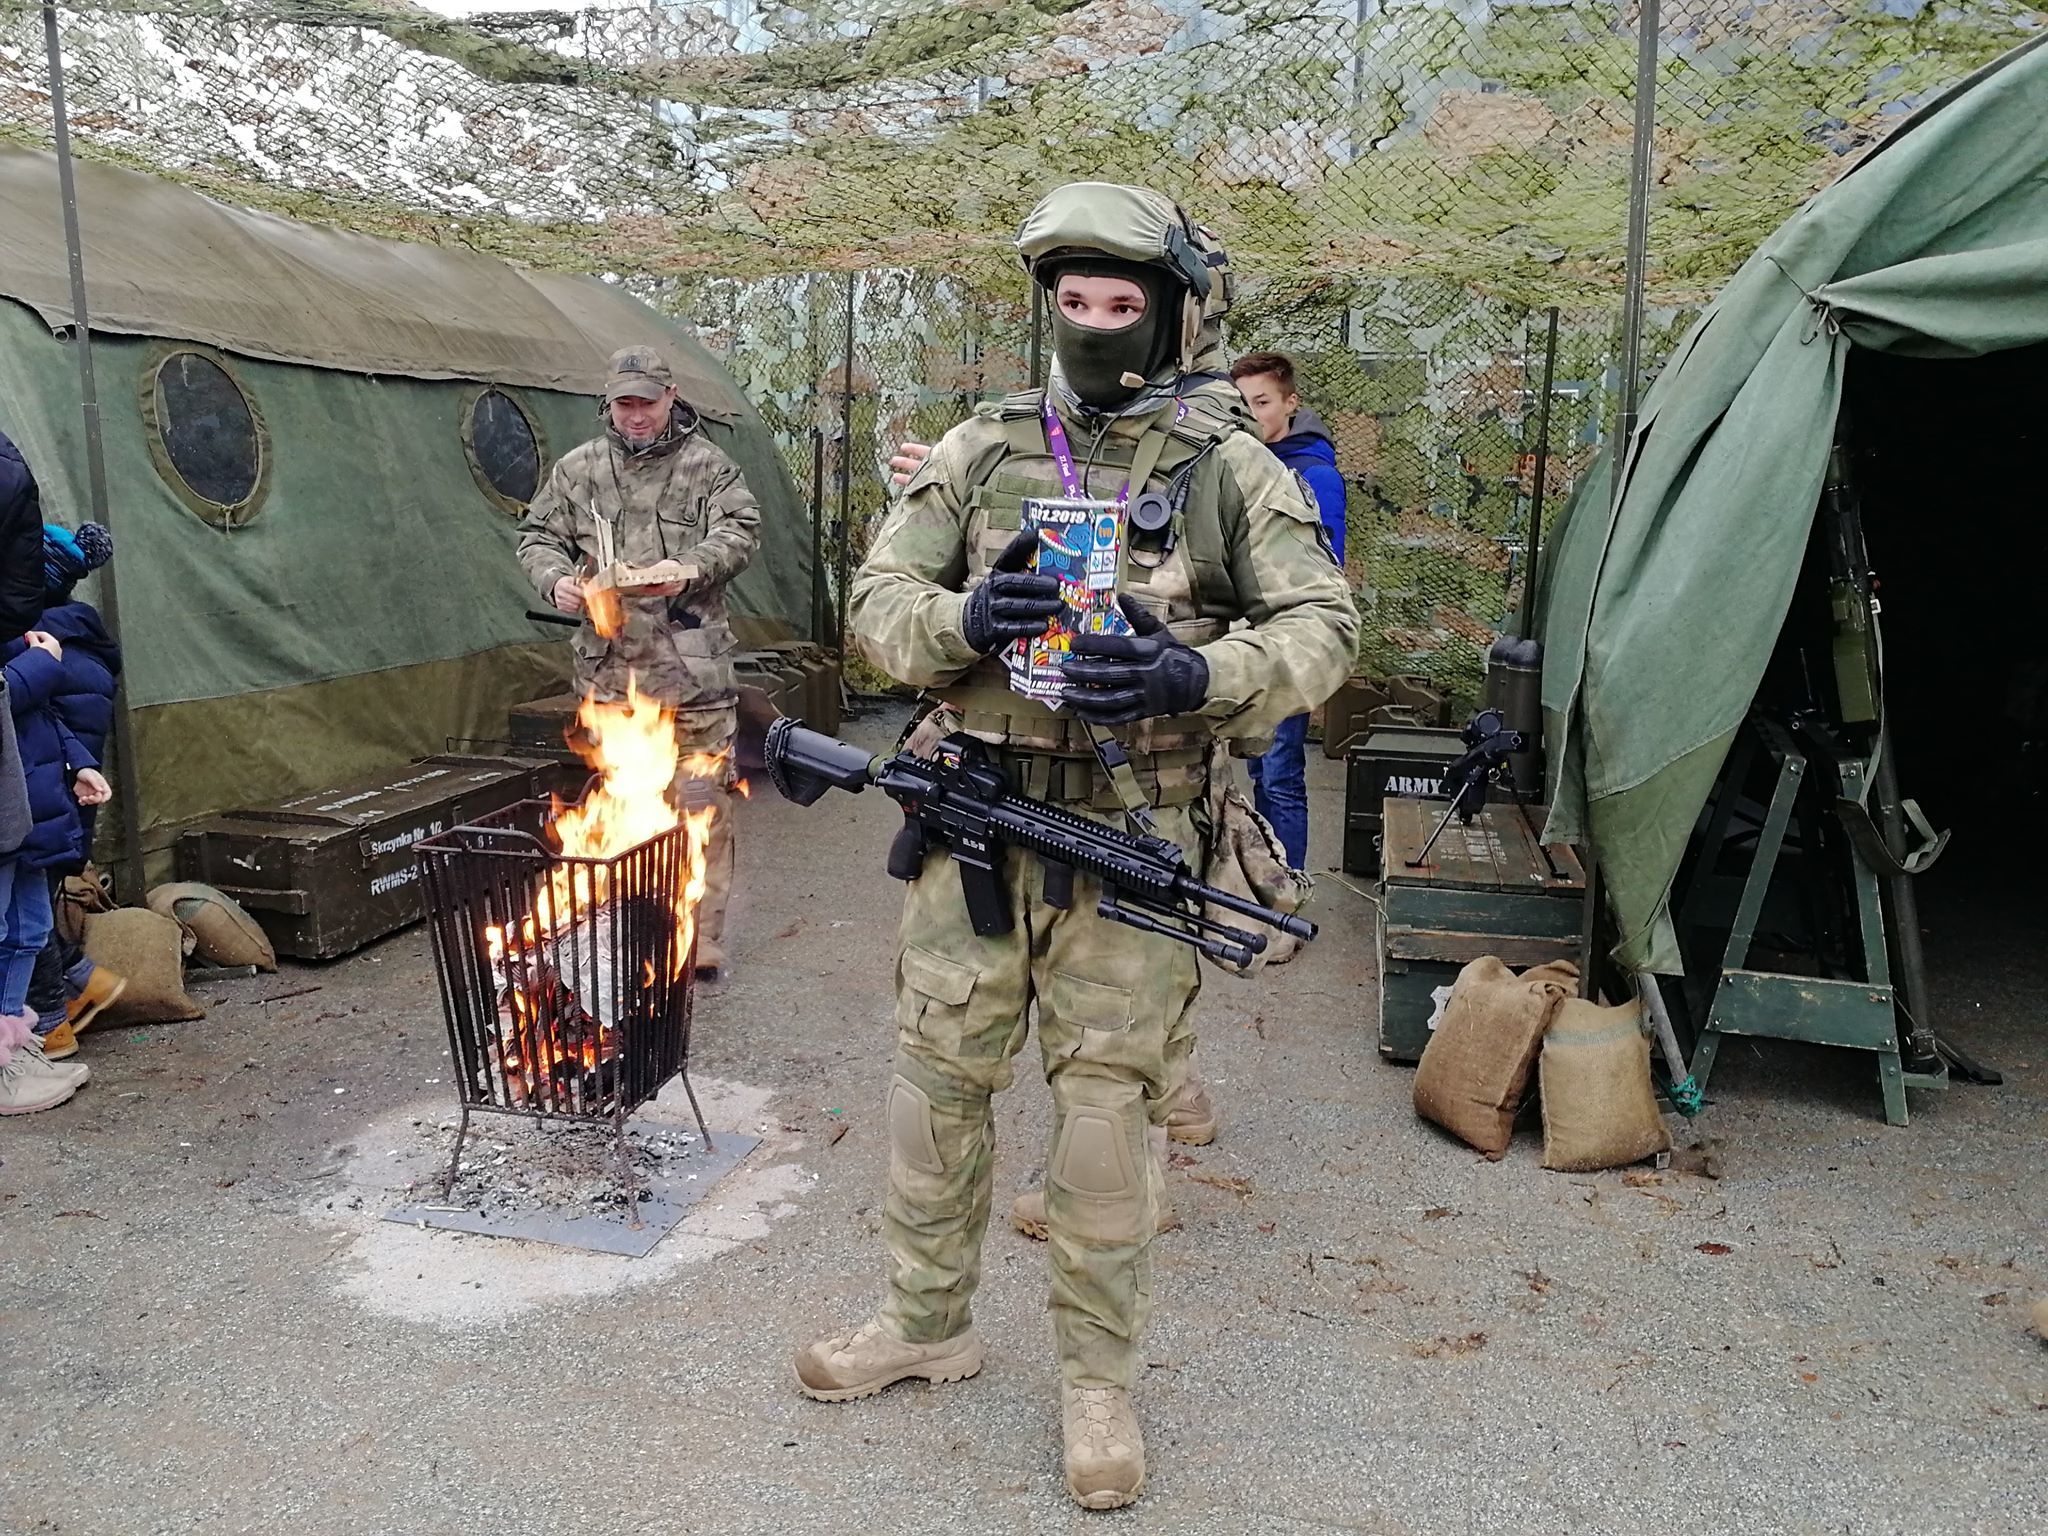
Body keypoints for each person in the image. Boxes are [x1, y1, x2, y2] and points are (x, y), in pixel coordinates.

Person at [795, 183, 1358, 1510]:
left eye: (1120, 303)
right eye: (1073, 300)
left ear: (1168, 316)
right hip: (972, 819)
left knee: (1105, 1122)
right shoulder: (982, 447)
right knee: (934, 1087)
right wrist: (964, 621)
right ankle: (924, 1322)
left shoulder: (1226, 466)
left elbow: (1323, 627)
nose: (1094, 324)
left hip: (1128, 835)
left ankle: (1097, 1384)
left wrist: (1196, 676)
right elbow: (877, 600)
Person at [516, 346, 761, 978]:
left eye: (647, 403)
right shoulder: (579, 470)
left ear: (671, 397)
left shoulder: (709, 467)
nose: (636, 416)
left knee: (702, 805)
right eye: (623, 404)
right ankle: (628, 936)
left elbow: (740, 531)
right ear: (609, 403)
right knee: (623, 808)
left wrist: (691, 568)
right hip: (611, 677)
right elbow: (537, 536)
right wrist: (555, 580)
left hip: (693, 677)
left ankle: (699, 940)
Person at [1230, 352, 1347, 873]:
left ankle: (1288, 891)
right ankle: (1266, 882)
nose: (1252, 414)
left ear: (1290, 403)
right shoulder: (1240, 463)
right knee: (1259, 771)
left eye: (1263, 402)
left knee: (1280, 775)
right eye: (1242, 404)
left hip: (1288, 643)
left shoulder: (1315, 474)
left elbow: (1327, 567)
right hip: (1245, 638)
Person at [22, 522, 127, 1057]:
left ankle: (51, 1029)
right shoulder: (83, 639)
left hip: (41, 805)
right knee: (32, 913)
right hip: (65, 805)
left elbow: (30, 723)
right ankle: (89, 981)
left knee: (26, 921)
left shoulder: (40, 648)